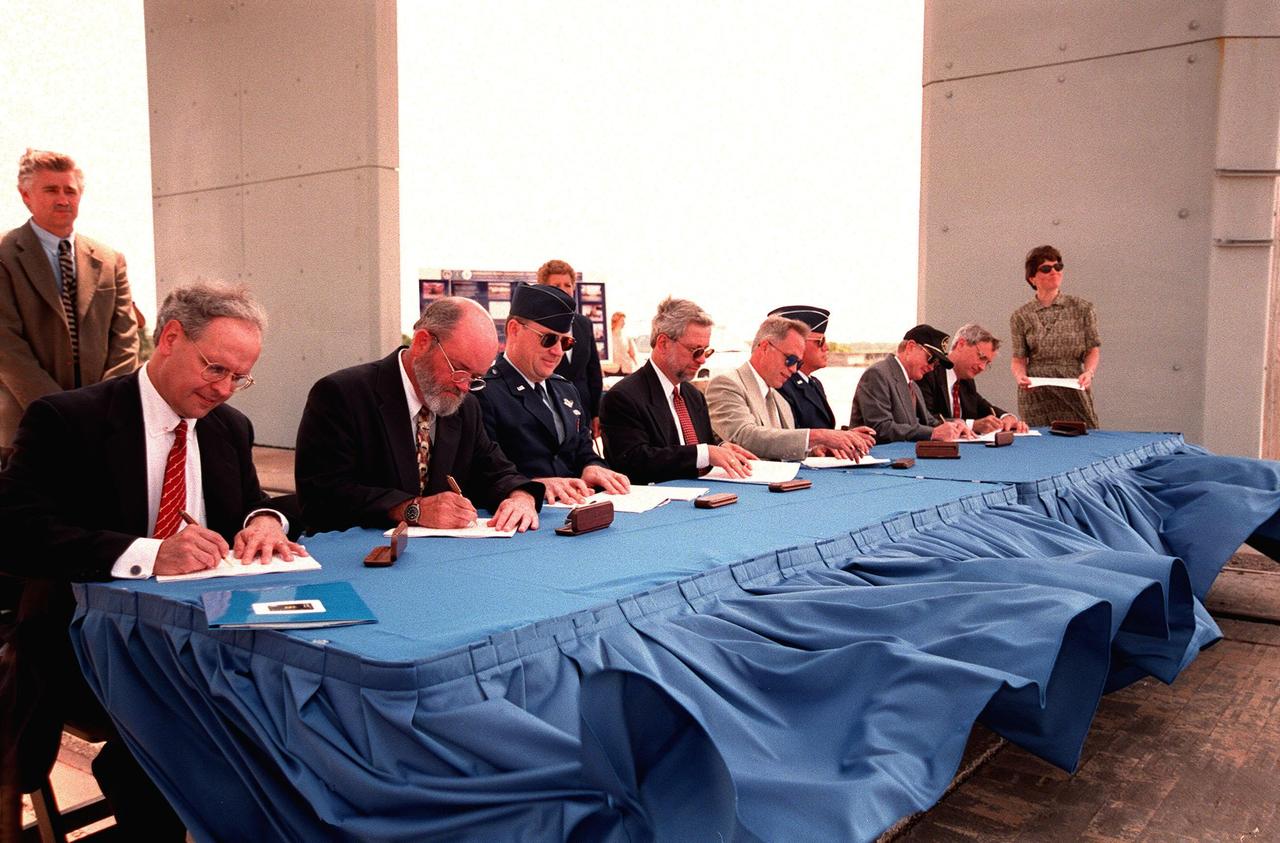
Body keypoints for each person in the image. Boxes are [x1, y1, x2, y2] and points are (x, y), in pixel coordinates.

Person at [0, 282, 302, 839]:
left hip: (210, 636)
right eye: (216, 369)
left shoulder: (228, 428)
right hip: (87, 641)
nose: (225, 390)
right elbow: (17, 534)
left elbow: (251, 501)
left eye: (239, 378)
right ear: (169, 339)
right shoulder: (68, 420)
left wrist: (265, 521)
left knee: (300, 703)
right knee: (188, 728)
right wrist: (150, 554)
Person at [296, 296, 543, 534]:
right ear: (423, 342)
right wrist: (412, 509)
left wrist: (520, 497)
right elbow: (322, 497)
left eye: (475, 378)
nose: (465, 386)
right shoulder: (343, 395)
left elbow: (496, 471)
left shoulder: (465, 407)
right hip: (361, 558)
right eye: (460, 370)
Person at [0, 148, 139, 454]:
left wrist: (102, 406)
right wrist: (62, 411)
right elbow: (6, 347)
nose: (63, 199)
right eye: (51, 190)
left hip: (103, 429)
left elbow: (126, 341)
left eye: (70, 190)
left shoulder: (109, 259)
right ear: (25, 195)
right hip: (29, 428)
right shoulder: (4, 255)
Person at [478, 284, 630, 505]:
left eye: (565, 342)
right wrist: (533, 485)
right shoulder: (485, 393)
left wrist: (593, 467)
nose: (558, 351)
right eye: (548, 339)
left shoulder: (565, 390)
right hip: (522, 521)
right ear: (514, 330)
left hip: (576, 512)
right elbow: (481, 473)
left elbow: (582, 450)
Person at [600, 297, 756, 484]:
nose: (702, 360)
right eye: (695, 350)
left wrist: (722, 448)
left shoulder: (693, 396)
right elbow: (634, 462)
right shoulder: (623, 397)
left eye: (706, 351)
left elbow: (699, 444)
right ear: (663, 343)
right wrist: (706, 453)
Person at [708, 316, 875, 460]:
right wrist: (820, 436)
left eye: (798, 363)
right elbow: (744, 437)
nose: (794, 369)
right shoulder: (726, 384)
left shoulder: (780, 400)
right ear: (765, 347)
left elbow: (779, 446)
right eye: (790, 359)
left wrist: (818, 448)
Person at [1010, 245, 1101, 427]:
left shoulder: (1082, 308)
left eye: (1058, 267)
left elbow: (1093, 349)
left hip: (1072, 384)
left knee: (1083, 435)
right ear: (1032, 278)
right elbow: (1019, 358)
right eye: (1046, 268)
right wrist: (1020, 377)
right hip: (1036, 389)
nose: (1054, 272)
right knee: (1039, 442)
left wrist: (1089, 373)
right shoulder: (1020, 315)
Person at [849, 324, 973, 442]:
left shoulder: (913, 385)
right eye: (931, 359)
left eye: (936, 364)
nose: (932, 367)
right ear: (910, 347)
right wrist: (932, 433)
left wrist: (955, 424)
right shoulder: (878, 374)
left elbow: (929, 422)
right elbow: (880, 428)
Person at [917, 323, 1029, 434]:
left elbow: (984, 408)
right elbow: (925, 419)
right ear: (961, 345)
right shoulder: (928, 372)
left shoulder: (966, 381)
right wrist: (972, 425)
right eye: (981, 357)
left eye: (987, 363)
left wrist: (1007, 417)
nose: (982, 367)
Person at [539, 260, 604, 434]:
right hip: (549, 408)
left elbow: (593, 370)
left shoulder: (584, 324)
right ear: (544, 289)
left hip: (582, 408)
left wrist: (596, 413)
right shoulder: (536, 326)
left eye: (567, 284)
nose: (563, 289)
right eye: (556, 285)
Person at [770, 305, 836, 429]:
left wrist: (847, 436)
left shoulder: (814, 383)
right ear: (799, 343)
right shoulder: (781, 385)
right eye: (820, 341)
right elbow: (789, 438)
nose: (826, 347)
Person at [605, 311, 639, 375]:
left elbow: (632, 354)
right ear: (616, 321)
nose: (624, 323)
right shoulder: (608, 337)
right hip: (611, 370)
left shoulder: (627, 336)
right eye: (622, 320)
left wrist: (638, 366)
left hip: (626, 369)